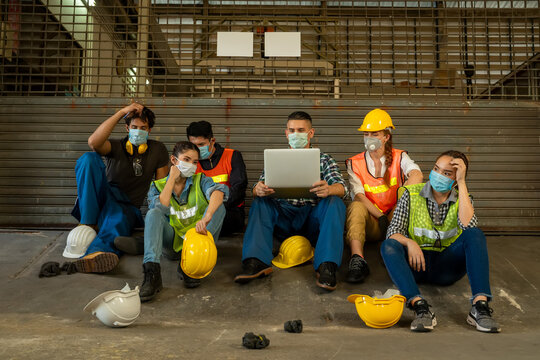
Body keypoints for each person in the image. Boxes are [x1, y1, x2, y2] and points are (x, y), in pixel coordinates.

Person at [380, 150, 501, 333]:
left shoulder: (463, 198)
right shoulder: (410, 194)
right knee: (388, 245)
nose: (438, 175)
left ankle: (480, 308)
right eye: (436, 169)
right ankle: (419, 306)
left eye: (447, 173)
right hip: (415, 266)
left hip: (446, 268)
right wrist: (409, 243)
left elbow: (469, 227)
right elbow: (393, 232)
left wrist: (462, 183)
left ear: (456, 178)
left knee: (475, 234)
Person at [234, 111, 347, 291]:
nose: (296, 135)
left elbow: (342, 187)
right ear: (286, 133)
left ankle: (327, 267)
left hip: (312, 219)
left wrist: (330, 189)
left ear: (311, 133)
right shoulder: (276, 158)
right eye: (292, 130)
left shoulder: (324, 160)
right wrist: (258, 189)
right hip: (284, 218)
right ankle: (255, 262)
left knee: (335, 203)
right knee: (260, 202)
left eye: (301, 130)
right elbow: (260, 184)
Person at [69, 103, 169, 273]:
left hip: (127, 206)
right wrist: (122, 112)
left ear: (150, 130)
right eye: (134, 127)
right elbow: (93, 142)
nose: (138, 131)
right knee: (88, 158)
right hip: (103, 200)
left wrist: (157, 219)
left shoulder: (158, 150)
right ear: (127, 128)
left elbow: (161, 187)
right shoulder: (115, 146)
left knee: (117, 222)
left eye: (143, 128)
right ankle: (88, 221)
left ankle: (96, 255)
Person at [140, 141, 228, 301]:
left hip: (198, 243)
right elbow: (162, 208)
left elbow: (218, 193)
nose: (191, 165)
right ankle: (152, 274)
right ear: (174, 160)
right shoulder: (157, 186)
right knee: (153, 213)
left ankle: (190, 267)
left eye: (195, 162)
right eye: (186, 160)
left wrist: (208, 215)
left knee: (219, 208)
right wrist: (171, 178)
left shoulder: (201, 180)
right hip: (172, 244)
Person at [345, 109, 423, 283]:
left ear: (386, 137)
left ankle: (398, 253)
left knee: (413, 197)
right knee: (355, 206)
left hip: (396, 220)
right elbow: (358, 195)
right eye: (366, 133)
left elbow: (417, 176)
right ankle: (357, 259)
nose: (369, 137)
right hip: (372, 222)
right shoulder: (354, 162)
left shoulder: (400, 156)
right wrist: (380, 216)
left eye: (375, 133)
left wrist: (397, 207)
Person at [186, 121, 248, 236]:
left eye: (201, 144)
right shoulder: (189, 164)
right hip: (199, 213)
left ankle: (201, 243)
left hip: (230, 212)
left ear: (212, 141)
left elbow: (238, 190)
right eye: (194, 146)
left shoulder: (232, 156)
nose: (197, 149)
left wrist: (213, 208)